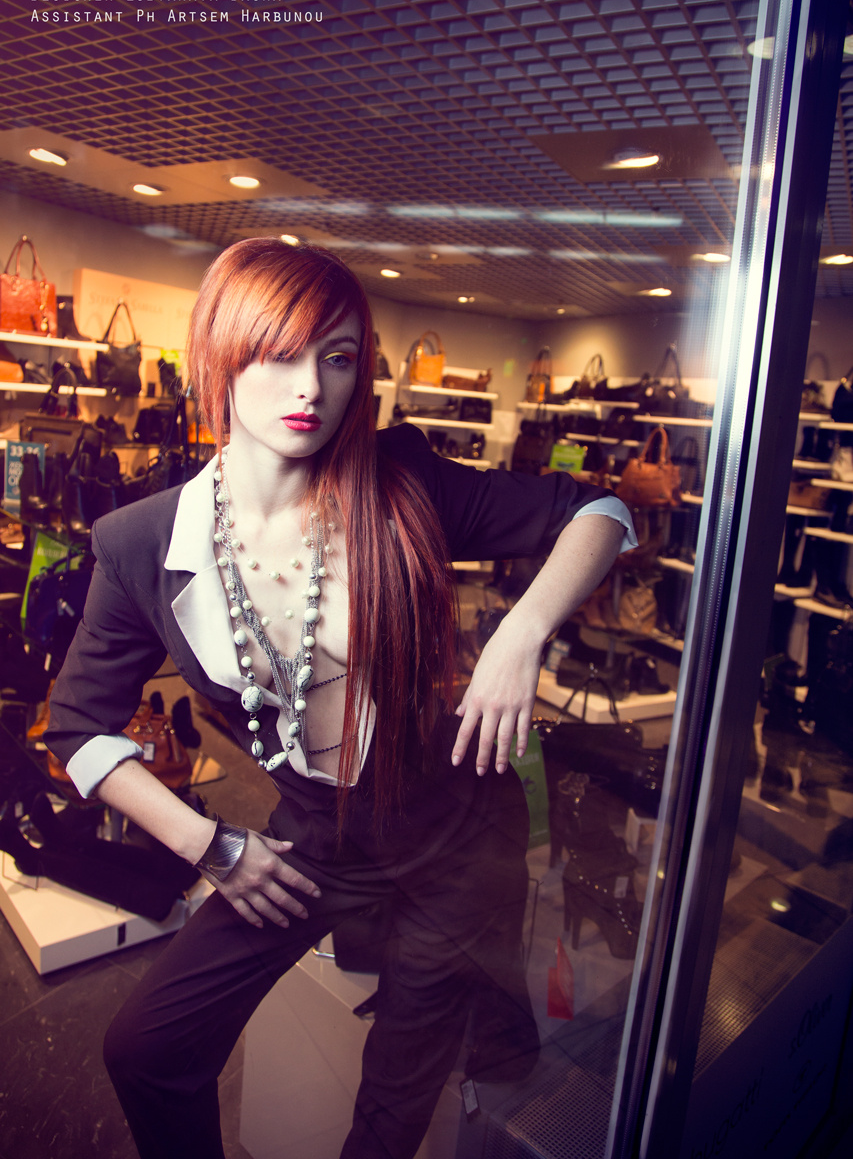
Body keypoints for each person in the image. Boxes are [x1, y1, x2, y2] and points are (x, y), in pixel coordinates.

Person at [45, 239, 634, 1159]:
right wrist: (213, 847)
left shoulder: (400, 481)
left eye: (338, 357)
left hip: (452, 840)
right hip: (314, 842)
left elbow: (599, 513)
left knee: (389, 1112)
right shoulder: (141, 543)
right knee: (146, 1049)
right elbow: (78, 729)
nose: (310, 387)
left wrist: (519, 634)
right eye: (280, 353)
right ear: (222, 354)